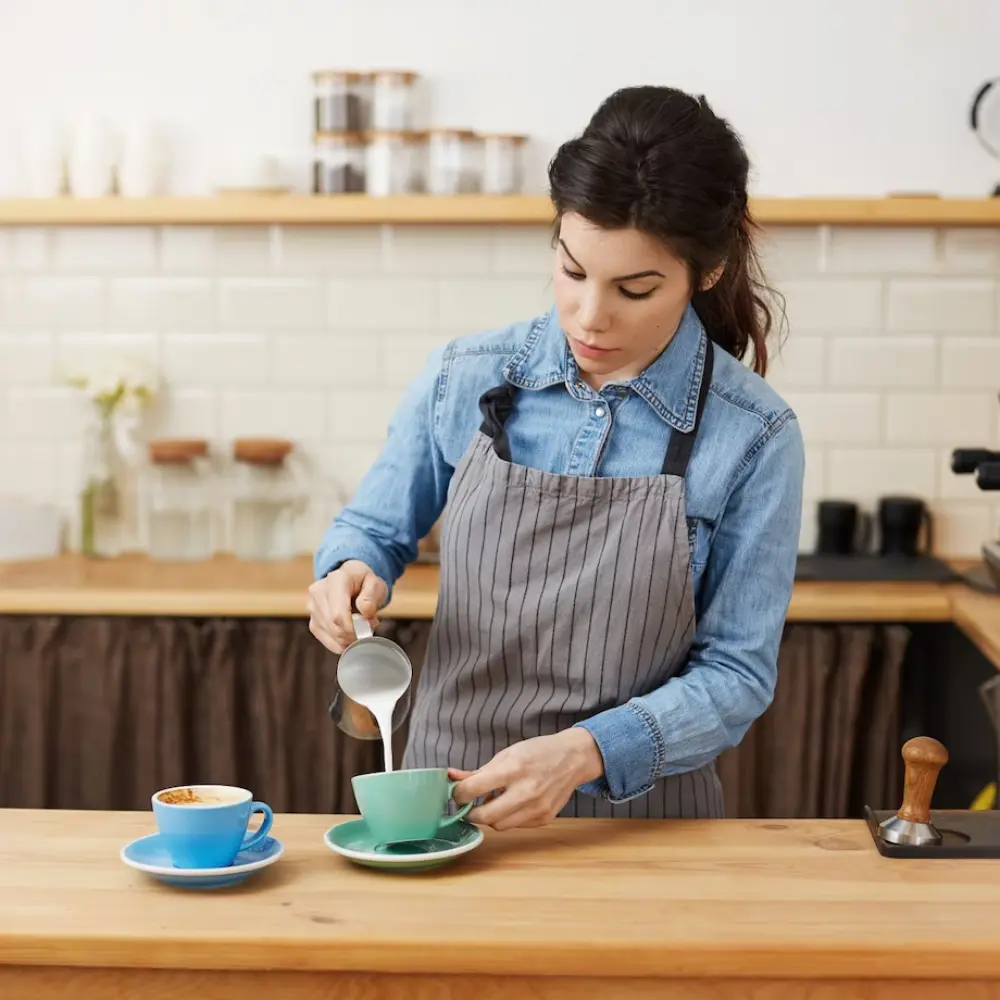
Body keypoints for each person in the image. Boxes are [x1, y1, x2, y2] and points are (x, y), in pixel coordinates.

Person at [308, 85, 805, 828]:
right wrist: (346, 573)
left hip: (643, 832)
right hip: (446, 812)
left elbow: (735, 675)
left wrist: (583, 754)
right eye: (572, 271)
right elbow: (373, 531)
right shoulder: (465, 376)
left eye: (634, 289)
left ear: (706, 272)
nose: (590, 315)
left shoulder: (754, 435)